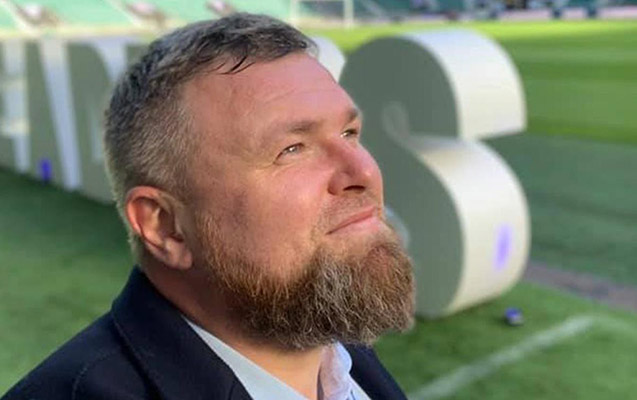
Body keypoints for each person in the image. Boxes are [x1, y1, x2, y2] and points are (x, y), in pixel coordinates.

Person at [2, 13, 415, 400]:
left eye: (349, 133)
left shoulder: (330, 343)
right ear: (165, 226)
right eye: (291, 149)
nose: (364, 171)